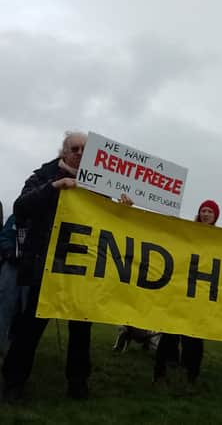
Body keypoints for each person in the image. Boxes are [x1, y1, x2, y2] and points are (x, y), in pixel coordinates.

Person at [1, 131, 132, 402]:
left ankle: (78, 383)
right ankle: (14, 382)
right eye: (75, 148)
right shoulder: (44, 176)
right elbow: (22, 206)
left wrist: (123, 209)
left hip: (80, 269)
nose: (80, 153)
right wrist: (53, 188)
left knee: (81, 330)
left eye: (86, 149)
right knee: (30, 328)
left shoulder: (100, 185)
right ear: (63, 152)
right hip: (45, 266)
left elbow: (111, 224)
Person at [153, 199, 220, 387]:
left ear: (215, 216)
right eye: (203, 210)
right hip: (181, 290)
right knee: (170, 332)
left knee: (195, 337)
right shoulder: (187, 231)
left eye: (210, 212)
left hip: (201, 293)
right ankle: (160, 372)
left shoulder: (221, 239)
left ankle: (192, 375)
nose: (206, 214)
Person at [0, 214, 24, 356]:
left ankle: (16, 349)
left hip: (33, 269)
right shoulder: (16, 217)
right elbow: (4, 236)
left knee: (26, 310)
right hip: (12, 266)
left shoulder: (48, 216)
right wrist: (9, 252)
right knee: (5, 305)